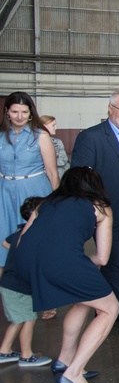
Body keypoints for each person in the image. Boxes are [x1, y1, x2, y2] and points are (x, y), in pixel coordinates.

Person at [21, 167, 118, 383]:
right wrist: (79, 264)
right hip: (61, 261)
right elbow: (102, 258)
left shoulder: (44, 203)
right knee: (110, 308)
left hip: (25, 263)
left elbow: (24, 238)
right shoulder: (99, 207)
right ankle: (73, 373)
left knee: (85, 299)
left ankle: (64, 360)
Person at [69, 90, 119, 334]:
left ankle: (102, 301)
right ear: (110, 109)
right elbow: (81, 177)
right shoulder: (92, 137)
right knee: (114, 262)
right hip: (105, 212)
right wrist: (93, 208)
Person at [0, 92, 59, 269]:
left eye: (24, 112)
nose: (20, 117)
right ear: (7, 112)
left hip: (34, 192)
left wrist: (57, 203)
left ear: (31, 113)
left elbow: (52, 172)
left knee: (34, 237)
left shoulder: (41, 135)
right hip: (5, 192)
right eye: (15, 112)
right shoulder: (1, 135)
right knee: (4, 238)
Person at [0, 197, 51, 368]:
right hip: (18, 287)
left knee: (18, 320)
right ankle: (26, 355)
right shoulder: (34, 237)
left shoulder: (19, 233)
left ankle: (4, 351)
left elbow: (5, 243)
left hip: (11, 285)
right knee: (28, 319)